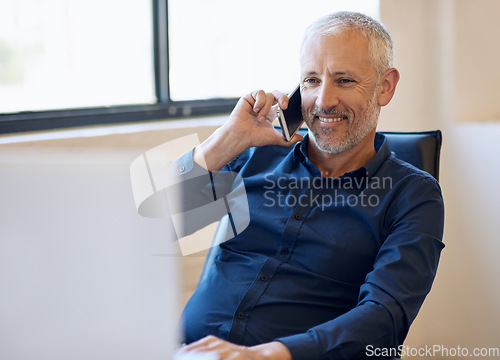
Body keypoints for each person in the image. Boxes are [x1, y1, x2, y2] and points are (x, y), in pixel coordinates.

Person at [173, 11, 445, 360]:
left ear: (385, 86)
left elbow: (386, 316)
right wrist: (227, 139)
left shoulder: (413, 195)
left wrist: (266, 355)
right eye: (311, 80)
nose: (323, 100)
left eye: (344, 80)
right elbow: (150, 225)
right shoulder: (254, 155)